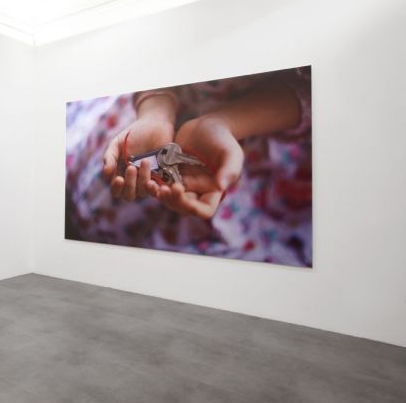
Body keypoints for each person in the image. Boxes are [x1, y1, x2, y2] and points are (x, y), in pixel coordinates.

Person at [65, 66, 312, 266]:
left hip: (257, 137)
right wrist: (155, 113)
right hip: (155, 112)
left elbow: (309, 89)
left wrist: (223, 124)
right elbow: (153, 59)